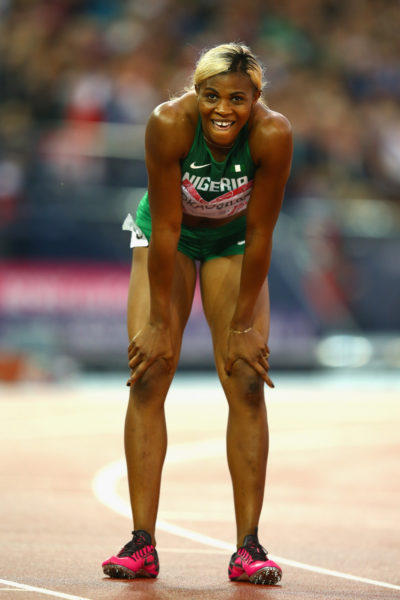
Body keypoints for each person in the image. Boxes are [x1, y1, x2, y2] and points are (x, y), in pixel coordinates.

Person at [102, 42, 292, 585]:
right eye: (211, 96)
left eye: (237, 98)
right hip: (171, 238)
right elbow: (164, 229)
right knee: (149, 373)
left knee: (246, 379)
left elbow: (260, 233)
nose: (222, 110)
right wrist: (161, 320)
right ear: (195, 91)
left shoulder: (274, 135)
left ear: (257, 99)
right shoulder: (168, 123)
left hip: (234, 242)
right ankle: (141, 542)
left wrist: (243, 327)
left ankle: (248, 547)